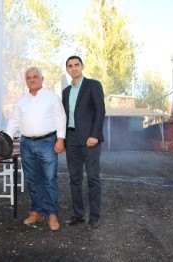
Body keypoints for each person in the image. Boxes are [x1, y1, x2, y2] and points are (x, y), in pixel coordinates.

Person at [5, 67, 66, 231]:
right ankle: (37, 211)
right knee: (32, 179)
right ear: (26, 81)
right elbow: (14, 122)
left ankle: (52, 214)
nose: (32, 79)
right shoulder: (21, 101)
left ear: (42, 79)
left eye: (35, 76)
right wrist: (6, 140)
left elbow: (61, 118)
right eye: (28, 77)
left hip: (47, 142)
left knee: (49, 179)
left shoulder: (51, 97)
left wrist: (61, 140)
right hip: (26, 144)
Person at [62, 56, 105, 230]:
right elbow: (64, 117)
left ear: (82, 66)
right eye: (70, 66)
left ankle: (94, 216)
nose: (74, 68)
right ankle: (78, 214)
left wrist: (94, 135)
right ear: (67, 69)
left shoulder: (93, 85)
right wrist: (62, 138)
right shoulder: (65, 92)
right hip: (71, 138)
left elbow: (100, 111)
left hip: (89, 139)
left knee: (93, 178)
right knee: (74, 178)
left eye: (76, 65)